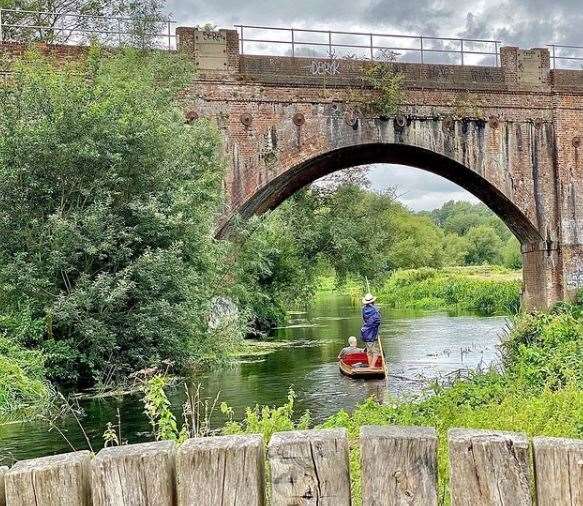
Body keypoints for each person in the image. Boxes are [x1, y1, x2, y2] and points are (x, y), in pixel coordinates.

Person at [361, 292, 382, 369]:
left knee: (369, 352)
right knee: (376, 352)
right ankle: (372, 366)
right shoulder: (375, 310)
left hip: (365, 333)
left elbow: (365, 319)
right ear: (373, 301)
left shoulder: (363, 309)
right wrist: (378, 313)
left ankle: (370, 365)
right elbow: (377, 321)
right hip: (372, 334)